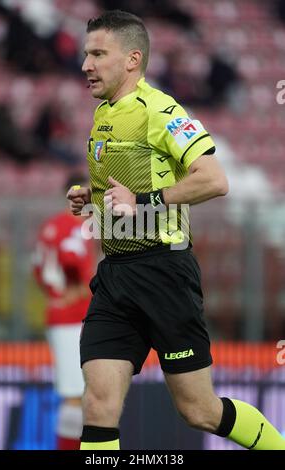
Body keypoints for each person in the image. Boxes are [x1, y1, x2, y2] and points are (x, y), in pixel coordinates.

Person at [67, 10, 285, 450]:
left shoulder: (161, 111)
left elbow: (214, 179)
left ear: (132, 59)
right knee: (97, 404)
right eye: (85, 54)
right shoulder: (104, 115)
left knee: (198, 410)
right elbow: (125, 189)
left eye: (97, 54)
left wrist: (142, 202)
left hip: (164, 272)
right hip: (115, 278)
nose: (86, 65)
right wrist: (90, 199)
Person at [33, 173, 95, 450]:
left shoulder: (54, 226)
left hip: (67, 315)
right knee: (76, 394)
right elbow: (75, 268)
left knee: (82, 393)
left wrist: (54, 295)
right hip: (72, 316)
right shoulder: (72, 229)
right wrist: (73, 291)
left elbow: (39, 270)